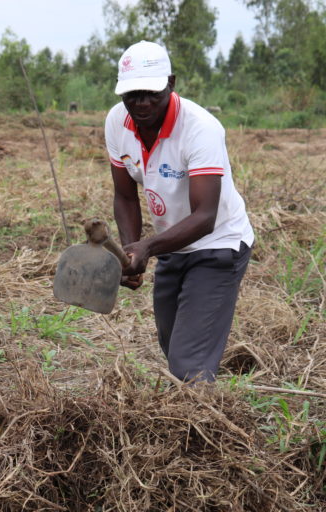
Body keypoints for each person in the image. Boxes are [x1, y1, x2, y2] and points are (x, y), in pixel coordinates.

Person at [104, 41, 254, 383]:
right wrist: (131, 250)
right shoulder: (117, 122)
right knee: (172, 346)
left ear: (171, 83)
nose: (141, 103)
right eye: (132, 94)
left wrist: (149, 247)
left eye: (151, 93)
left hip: (218, 245)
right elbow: (125, 196)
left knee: (189, 364)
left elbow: (205, 215)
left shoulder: (200, 128)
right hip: (172, 244)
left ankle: (204, 430)